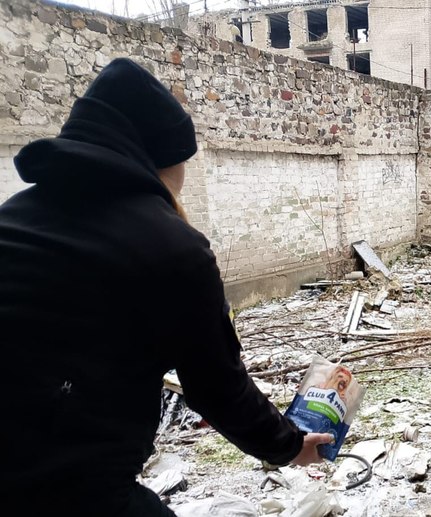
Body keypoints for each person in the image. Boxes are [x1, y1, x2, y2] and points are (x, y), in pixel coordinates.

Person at [0, 58, 331, 516]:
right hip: (70, 489)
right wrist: (289, 445)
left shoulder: (12, 219)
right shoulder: (172, 248)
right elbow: (217, 387)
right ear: (159, 158)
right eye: (182, 163)